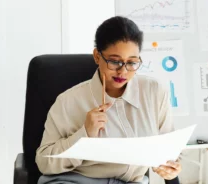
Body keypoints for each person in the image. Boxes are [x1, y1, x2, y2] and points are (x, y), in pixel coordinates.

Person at [35, 16, 182, 184]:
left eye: (132, 62)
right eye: (114, 61)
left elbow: (169, 150)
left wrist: (169, 168)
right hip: (77, 181)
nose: (123, 71)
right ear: (97, 56)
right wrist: (85, 135)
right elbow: (44, 163)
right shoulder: (68, 101)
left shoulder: (154, 92)